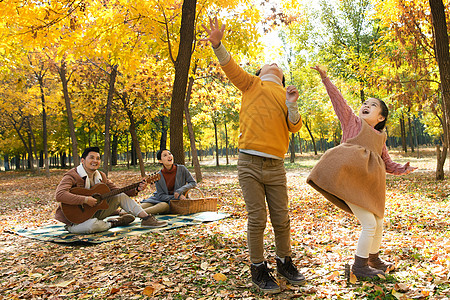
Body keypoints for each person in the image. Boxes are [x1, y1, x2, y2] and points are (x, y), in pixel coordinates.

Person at [202, 17, 305, 294]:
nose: (272, 62)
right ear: (259, 73)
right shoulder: (251, 84)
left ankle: (285, 261)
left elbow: (294, 126)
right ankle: (258, 268)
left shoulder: (285, 95)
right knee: (257, 218)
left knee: (281, 218)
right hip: (248, 163)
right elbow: (231, 68)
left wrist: (292, 105)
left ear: (281, 78)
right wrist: (218, 45)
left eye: (276, 65)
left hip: (275, 166)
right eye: (267, 64)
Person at [307, 65, 417, 280]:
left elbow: (386, 163)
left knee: (378, 221)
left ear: (381, 117)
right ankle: (359, 267)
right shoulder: (352, 123)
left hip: (369, 186)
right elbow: (339, 102)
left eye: (372, 105)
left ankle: (373, 259)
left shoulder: (380, 138)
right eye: (365, 103)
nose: (365, 105)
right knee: (369, 223)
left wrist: (402, 169)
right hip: (350, 182)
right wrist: (326, 79)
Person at [55, 146, 168, 234]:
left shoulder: (101, 176)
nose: (95, 161)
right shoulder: (72, 175)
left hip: (95, 212)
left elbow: (118, 191)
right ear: (83, 160)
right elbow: (60, 195)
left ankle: (147, 218)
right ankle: (114, 222)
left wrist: (137, 188)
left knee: (120, 195)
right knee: (92, 226)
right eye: (92, 158)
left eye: (98, 158)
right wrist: (85, 200)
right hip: (75, 220)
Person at [139, 149, 197, 215]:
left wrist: (180, 190)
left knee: (164, 206)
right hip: (157, 198)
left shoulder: (182, 169)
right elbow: (161, 196)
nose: (169, 156)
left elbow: (193, 183)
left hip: (171, 203)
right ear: (160, 161)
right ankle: (125, 214)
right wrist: (177, 196)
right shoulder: (158, 175)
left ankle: (137, 214)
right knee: (141, 207)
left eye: (170, 154)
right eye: (165, 155)